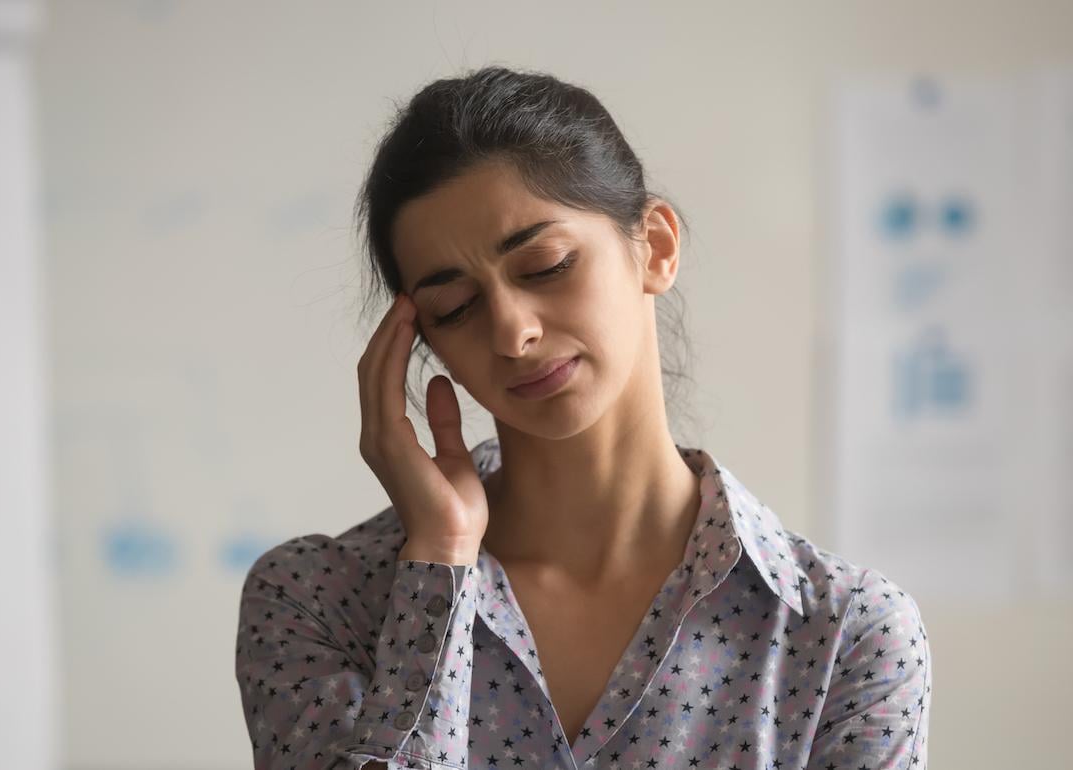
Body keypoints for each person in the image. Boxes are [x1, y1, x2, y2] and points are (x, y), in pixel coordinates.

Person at [234, 65, 931, 770]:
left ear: (654, 246)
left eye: (546, 266)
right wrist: (440, 561)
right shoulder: (317, 601)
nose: (512, 333)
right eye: (455, 308)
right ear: (421, 339)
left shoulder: (847, 635)